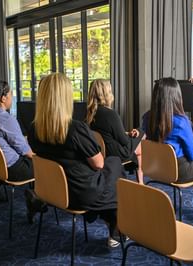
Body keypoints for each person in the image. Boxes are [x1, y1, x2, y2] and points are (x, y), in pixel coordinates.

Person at [27, 73, 124, 248]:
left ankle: (106, 217)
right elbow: (98, 163)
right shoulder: (75, 129)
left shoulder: (34, 129)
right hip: (80, 195)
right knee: (114, 163)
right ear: (65, 98)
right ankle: (113, 223)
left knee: (109, 172)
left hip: (53, 192)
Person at [144, 77, 193, 221]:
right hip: (178, 171)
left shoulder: (148, 117)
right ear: (176, 96)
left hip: (155, 168)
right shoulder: (181, 121)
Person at [0, 80, 35, 206]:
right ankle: (36, 200)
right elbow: (24, 151)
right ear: (3, 98)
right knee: (45, 165)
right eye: (11, 94)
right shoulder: (6, 119)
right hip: (13, 170)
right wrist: (40, 159)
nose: (12, 97)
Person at [86, 79, 145, 184]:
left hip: (101, 151)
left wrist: (127, 133)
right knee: (141, 132)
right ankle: (140, 180)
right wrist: (133, 135)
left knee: (135, 137)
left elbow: (108, 134)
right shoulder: (110, 114)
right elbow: (124, 141)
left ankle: (137, 171)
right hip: (117, 153)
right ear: (106, 94)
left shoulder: (90, 113)